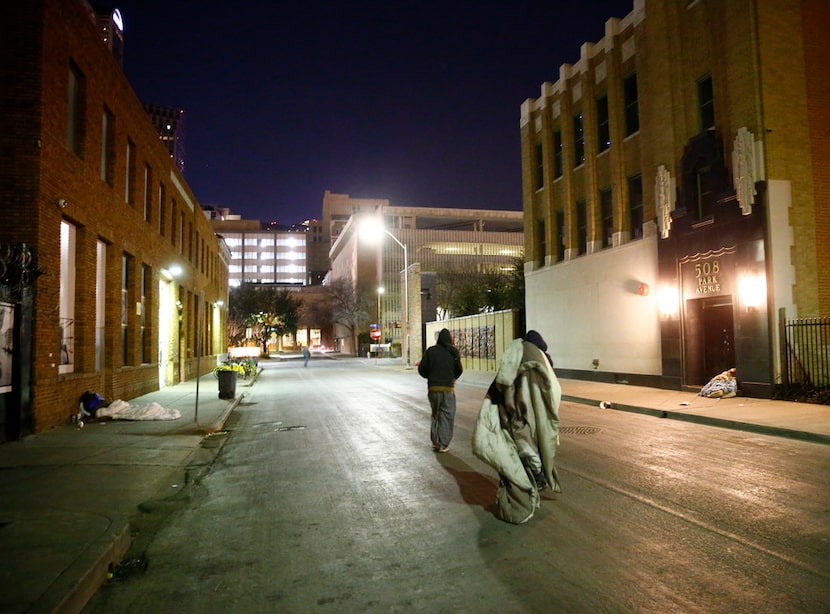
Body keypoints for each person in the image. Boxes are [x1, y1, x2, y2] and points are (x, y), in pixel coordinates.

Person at [472, 330, 562, 524]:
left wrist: (513, 416)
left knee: (517, 458)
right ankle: (534, 482)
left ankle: (527, 492)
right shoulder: (540, 362)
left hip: (518, 421)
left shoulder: (521, 358)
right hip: (527, 421)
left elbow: (507, 390)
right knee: (527, 455)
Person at [418, 328, 463, 453]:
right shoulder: (453, 352)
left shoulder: (430, 351)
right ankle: (443, 444)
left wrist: (431, 377)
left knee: (436, 414)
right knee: (447, 416)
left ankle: (435, 442)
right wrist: (453, 378)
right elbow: (459, 370)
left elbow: (422, 369)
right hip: (448, 389)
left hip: (433, 388)